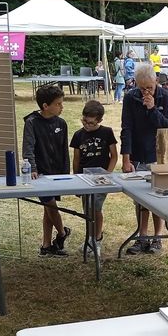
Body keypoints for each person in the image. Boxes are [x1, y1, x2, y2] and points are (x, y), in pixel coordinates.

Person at [121, 62, 168, 255]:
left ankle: (158, 237)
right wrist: (126, 158)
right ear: (136, 84)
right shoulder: (130, 98)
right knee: (140, 200)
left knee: (158, 197)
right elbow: (126, 128)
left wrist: (153, 109)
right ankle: (141, 236)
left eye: (149, 88)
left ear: (156, 81)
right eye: (141, 88)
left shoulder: (166, 97)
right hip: (137, 154)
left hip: (159, 154)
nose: (146, 92)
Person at [23, 84, 71, 257]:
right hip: (40, 173)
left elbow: (64, 150)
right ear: (45, 106)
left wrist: (66, 172)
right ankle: (62, 232)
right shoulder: (31, 122)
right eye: (58, 104)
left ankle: (46, 245)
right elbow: (28, 148)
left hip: (57, 172)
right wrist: (32, 168)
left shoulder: (62, 123)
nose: (61, 107)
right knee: (50, 204)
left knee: (47, 207)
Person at [70, 99, 118, 249]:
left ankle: (97, 238)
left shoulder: (107, 132)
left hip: (101, 178)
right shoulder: (78, 135)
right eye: (84, 121)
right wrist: (76, 177)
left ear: (100, 120)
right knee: (87, 210)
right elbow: (76, 159)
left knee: (96, 208)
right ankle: (89, 238)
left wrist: (108, 174)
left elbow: (114, 156)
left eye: (91, 123)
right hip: (83, 178)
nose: (87, 125)